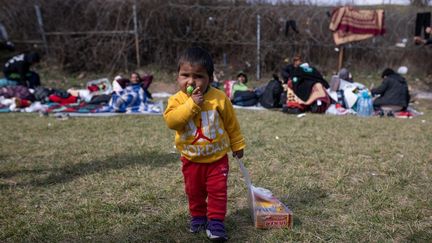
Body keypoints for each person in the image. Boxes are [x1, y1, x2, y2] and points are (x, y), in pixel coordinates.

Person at [163, 46, 245, 241]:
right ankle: (198, 217)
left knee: (217, 191)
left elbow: (231, 124)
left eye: (198, 76)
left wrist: (237, 145)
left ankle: (216, 222)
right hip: (191, 159)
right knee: (194, 191)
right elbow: (172, 122)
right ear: (178, 77)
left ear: (210, 78)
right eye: (185, 75)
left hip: (217, 159)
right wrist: (192, 104)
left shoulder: (219, 98)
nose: (191, 81)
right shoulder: (177, 100)